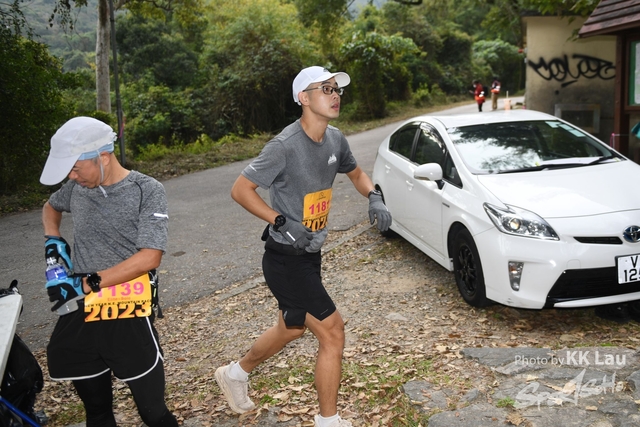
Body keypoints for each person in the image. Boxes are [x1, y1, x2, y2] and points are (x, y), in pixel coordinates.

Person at [214, 66, 392, 427]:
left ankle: (235, 373)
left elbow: (356, 173)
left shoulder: (335, 139)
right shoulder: (284, 146)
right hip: (285, 258)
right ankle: (329, 421)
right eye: (325, 88)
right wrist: (280, 221)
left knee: (291, 328)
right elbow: (241, 190)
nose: (335, 95)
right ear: (304, 98)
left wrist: (374, 196)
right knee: (333, 332)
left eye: (337, 89)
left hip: (310, 254)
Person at [40, 117, 178, 427]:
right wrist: (53, 240)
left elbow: (150, 257)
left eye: (76, 169)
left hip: (126, 306)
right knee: (97, 411)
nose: (72, 177)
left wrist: (87, 283)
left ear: (102, 157)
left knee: (153, 413)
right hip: (82, 308)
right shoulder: (77, 187)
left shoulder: (146, 189)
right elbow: (51, 206)